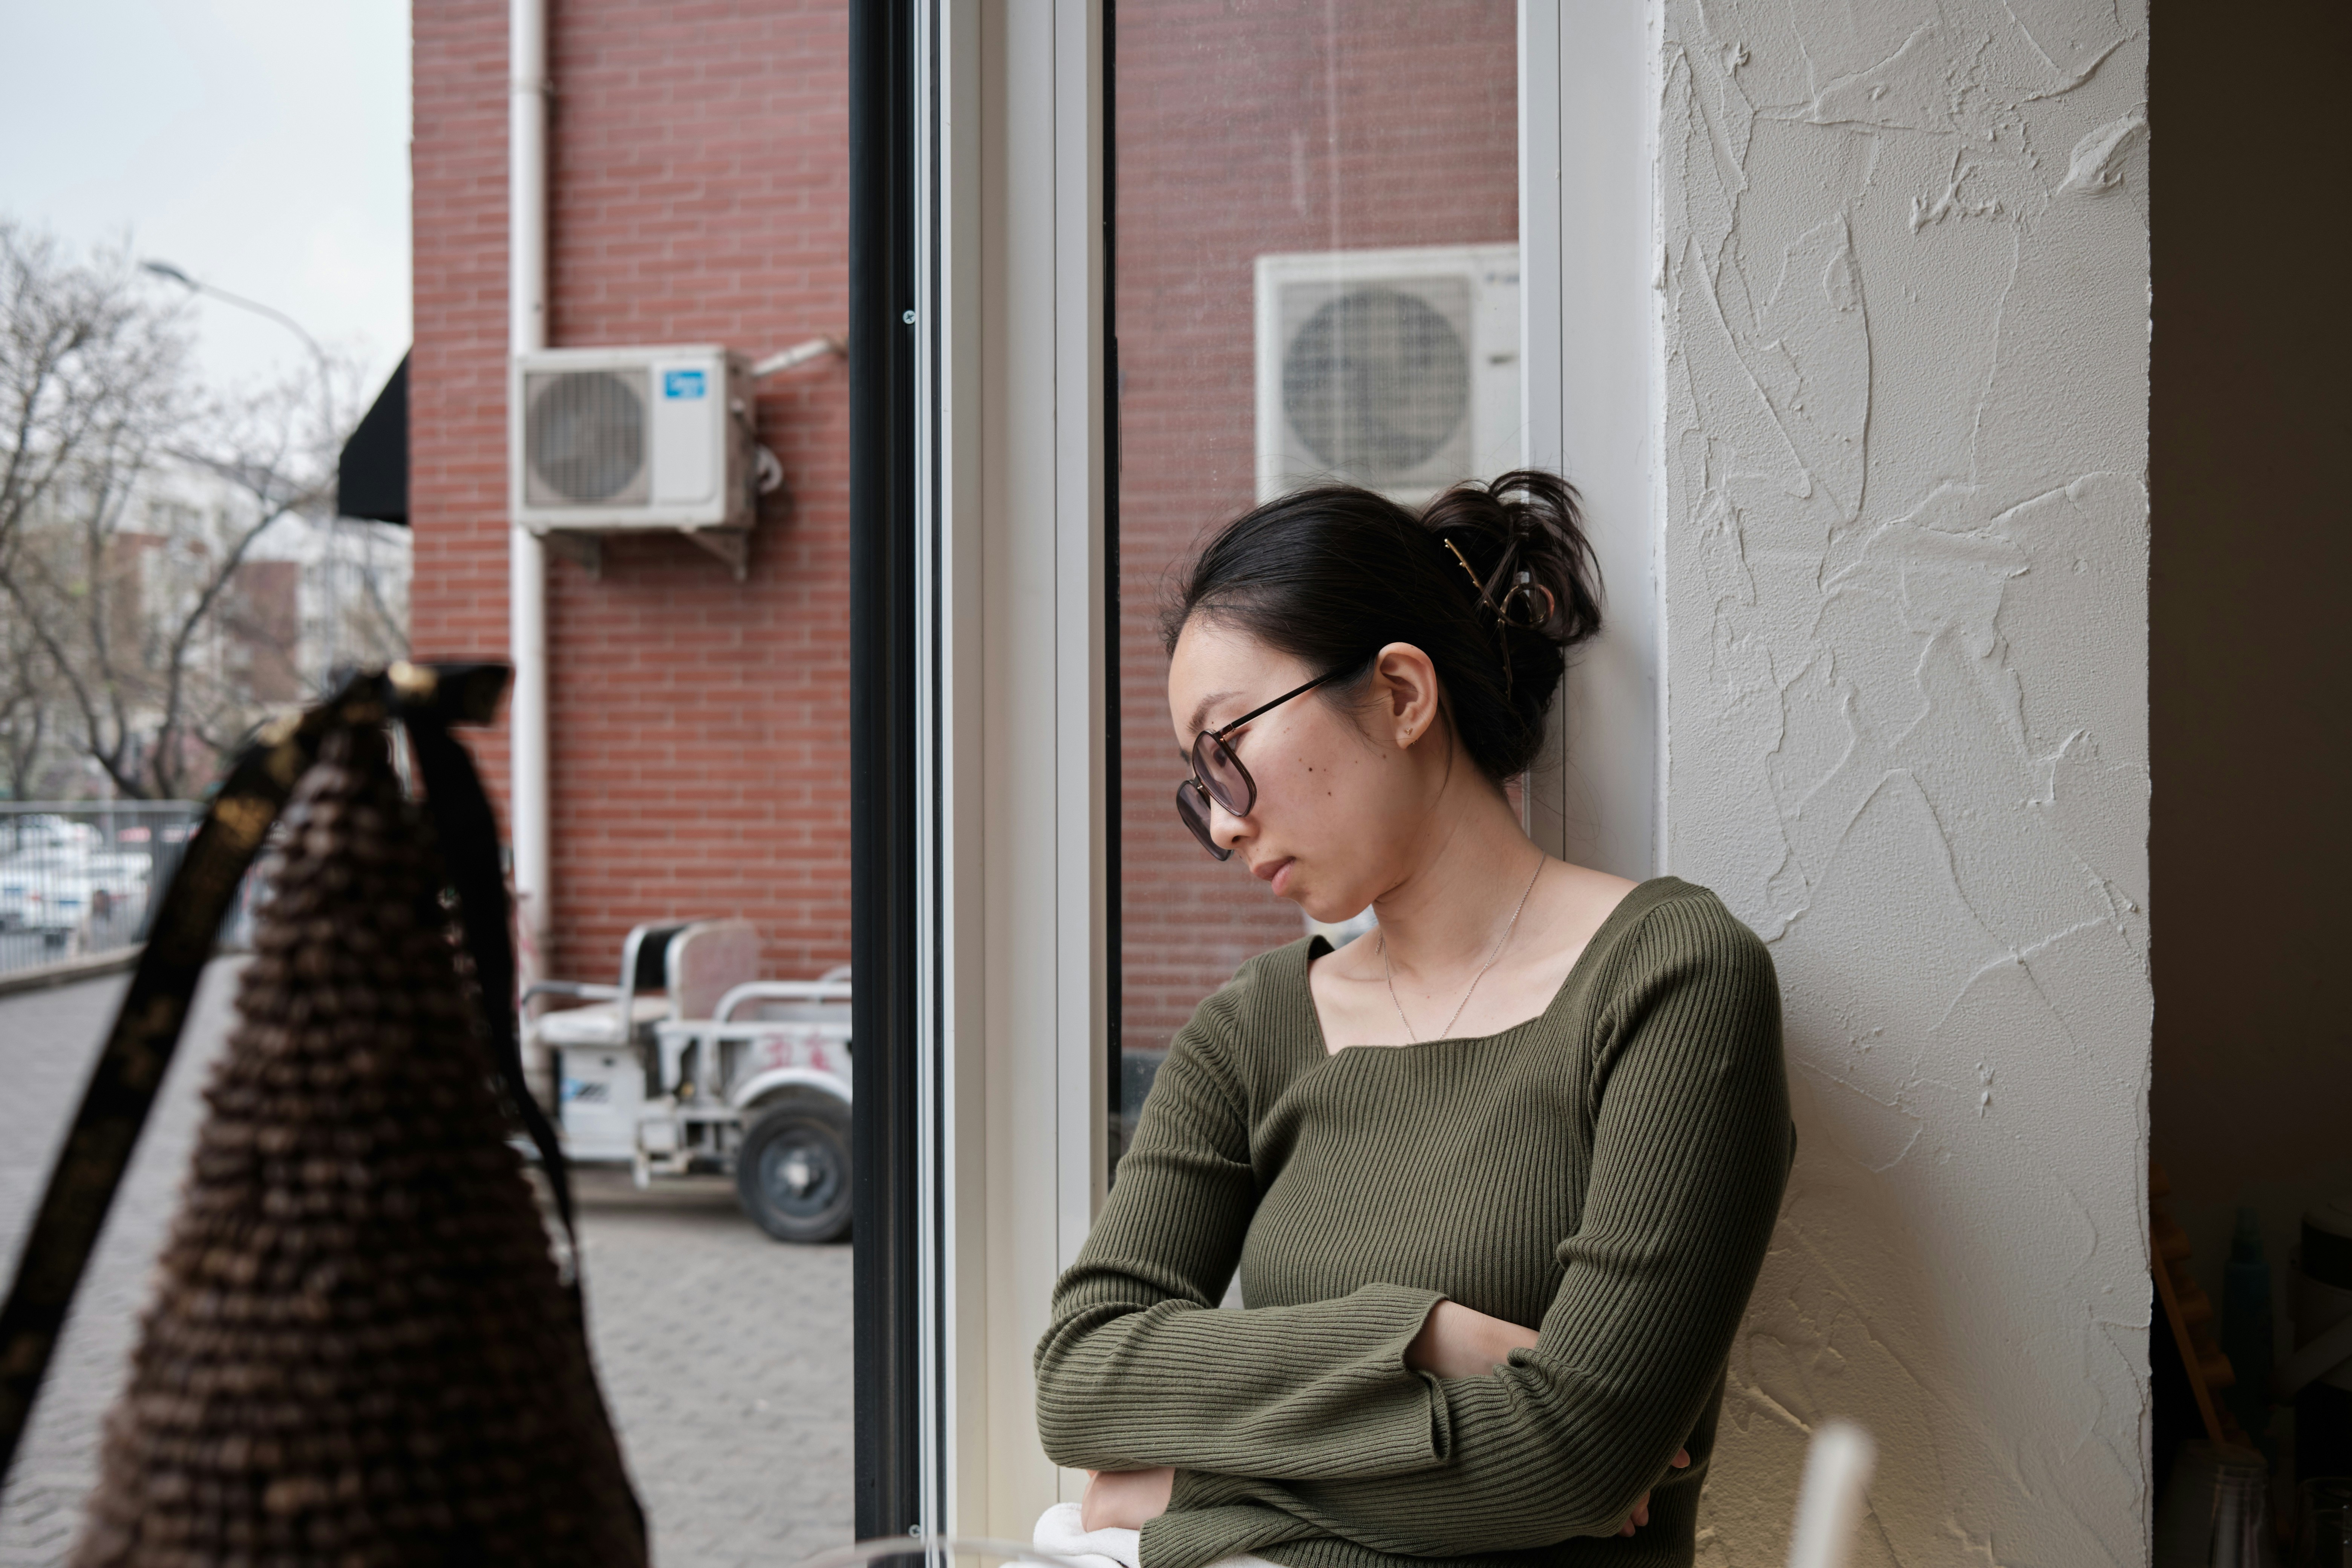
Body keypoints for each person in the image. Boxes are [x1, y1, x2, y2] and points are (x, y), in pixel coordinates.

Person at [1031, 471, 1794, 1568]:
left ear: (1399, 694)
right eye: (1199, 784)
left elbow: (1579, 1460)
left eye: (1226, 751)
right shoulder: (1250, 1030)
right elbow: (1085, 1377)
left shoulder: (1673, 982)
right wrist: (1424, 1335)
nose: (1224, 822)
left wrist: (1176, 1492)